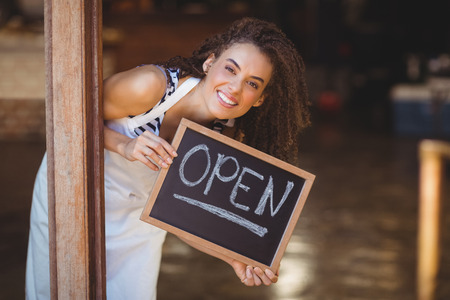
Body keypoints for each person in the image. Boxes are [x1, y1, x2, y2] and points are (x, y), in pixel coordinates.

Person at [26, 17, 311, 299]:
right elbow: (68, 117)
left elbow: (182, 214)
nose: (235, 88)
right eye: (230, 69)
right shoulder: (150, 87)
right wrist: (125, 145)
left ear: (260, 98)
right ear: (209, 63)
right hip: (76, 194)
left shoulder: (225, 139)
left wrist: (233, 258)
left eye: (252, 83)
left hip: (137, 224)